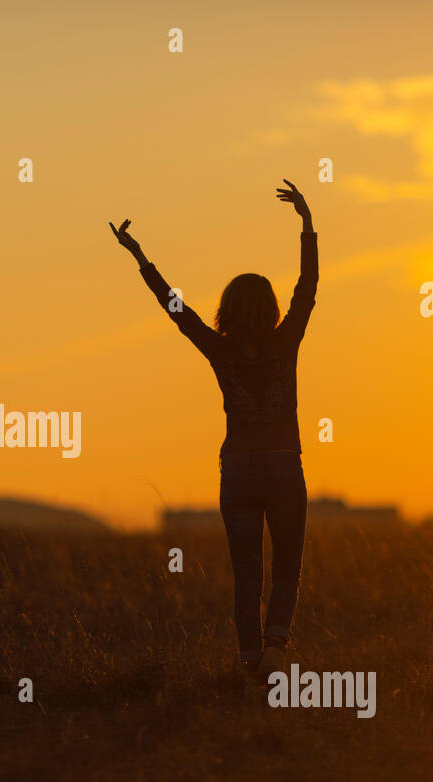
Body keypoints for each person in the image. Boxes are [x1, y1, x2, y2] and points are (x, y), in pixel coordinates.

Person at [110, 181, 318, 676]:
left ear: (228, 309)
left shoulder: (218, 349)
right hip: (285, 467)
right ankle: (274, 649)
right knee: (287, 565)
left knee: (247, 574)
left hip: (239, 470)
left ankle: (251, 666)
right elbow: (306, 289)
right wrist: (307, 224)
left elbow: (175, 308)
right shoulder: (286, 340)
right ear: (270, 310)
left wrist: (139, 256)